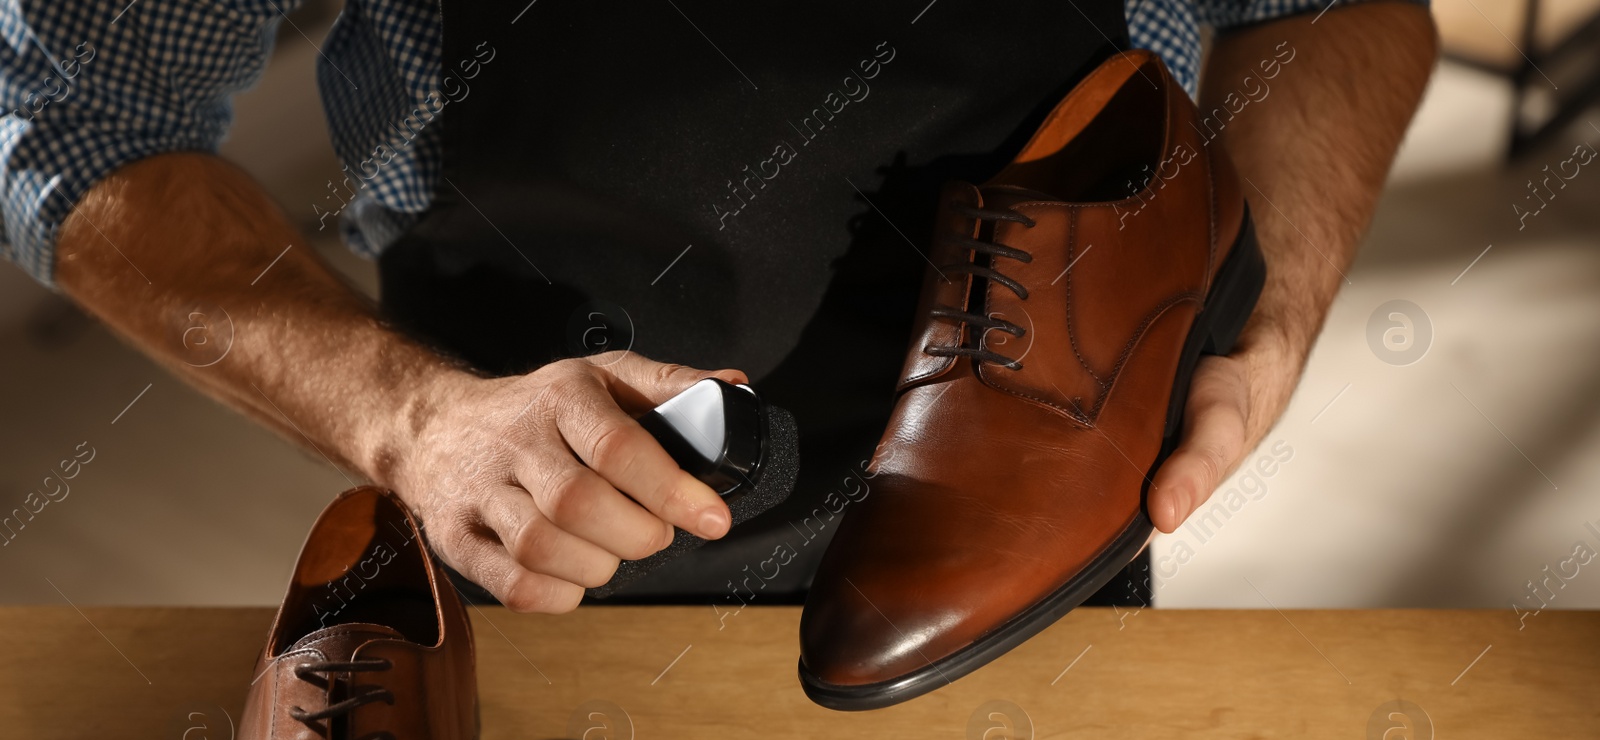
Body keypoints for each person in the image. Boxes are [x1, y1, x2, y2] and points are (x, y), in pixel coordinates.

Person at [4, 0, 1436, 612]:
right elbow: (78, 118)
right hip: (543, 500)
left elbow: (1341, 3)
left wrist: (1277, 316)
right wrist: (413, 420)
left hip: (1058, 466)